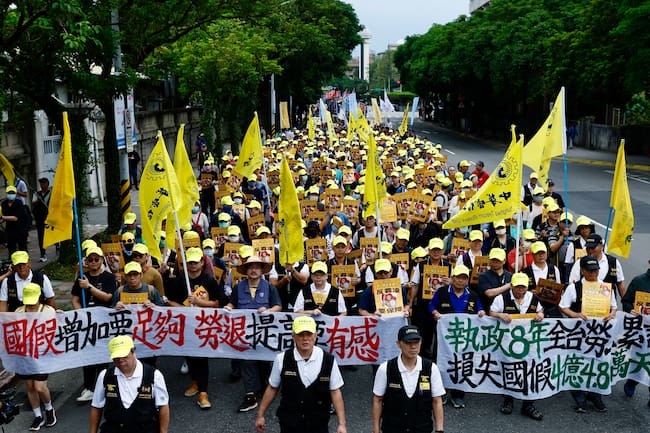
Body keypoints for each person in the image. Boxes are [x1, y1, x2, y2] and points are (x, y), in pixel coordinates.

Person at [255, 316, 347, 433]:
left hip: (318, 423)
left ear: (315, 336)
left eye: (308, 334)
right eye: (300, 334)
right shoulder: (281, 359)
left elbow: (335, 391)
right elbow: (272, 388)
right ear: (293, 336)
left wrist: (342, 424)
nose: (305, 339)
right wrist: (260, 415)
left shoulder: (328, 360)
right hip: (289, 422)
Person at [166, 247, 229, 409]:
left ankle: (203, 392)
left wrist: (199, 303)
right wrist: (184, 308)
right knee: (190, 355)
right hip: (186, 325)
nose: (193, 265)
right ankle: (194, 382)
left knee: (201, 357)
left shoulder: (209, 280)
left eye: (196, 262)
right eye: (190, 262)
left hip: (204, 325)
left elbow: (216, 303)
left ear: (202, 263)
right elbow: (170, 302)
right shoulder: (180, 280)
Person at [224, 255, 282, 412]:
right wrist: (229, 307)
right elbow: (232, 303)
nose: (254, 270)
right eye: (250, 267)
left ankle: (264, 385)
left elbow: (278, 306)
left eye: (257, 267)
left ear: (262, 270)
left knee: (264, 362)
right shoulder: (238, 287)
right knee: (247, 361)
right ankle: (250, 395)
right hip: (244, 332)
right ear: (246, 271)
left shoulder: (269, 287)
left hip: (264, 331)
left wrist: (269, 310)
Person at [559, 255, 617, 413]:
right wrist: (574, 315)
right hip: (580, 333)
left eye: (596, 270)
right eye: (590, 271)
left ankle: (595, 394)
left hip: (600, 334)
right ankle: (579, 398)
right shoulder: (574, 288)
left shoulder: (605, 287)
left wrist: (611, 314)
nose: (593, 274)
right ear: (582, 271)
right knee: (579, 364)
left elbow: (614, 307)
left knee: (598, 363)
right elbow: (563, 307)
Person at [489, 272, 544, 420]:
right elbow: (491, 312)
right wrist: (500, 315)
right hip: (508, 341)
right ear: (511, 286)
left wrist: (540, 315)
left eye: (523, 287)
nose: (520, 290)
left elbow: (540, 309)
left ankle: (528, 404)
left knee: (530, 371)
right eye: (517, 287)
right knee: (510, 369)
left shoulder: (533, 298)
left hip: (529, 341)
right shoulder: (502, 298)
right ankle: (508, 400)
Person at [429, 265, 485, 409]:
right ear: (452, 278)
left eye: (464, 278)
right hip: (444, 337)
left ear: (467, 280)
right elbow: (431, 305)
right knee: (441, 362)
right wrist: (435, 313)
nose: (460, 281)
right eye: (458, 277)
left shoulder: (472, 295)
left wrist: (481, 313)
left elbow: (480, 308)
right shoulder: (442, 292)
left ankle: (458, 394)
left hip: (464, 338)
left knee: (463, 363)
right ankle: (441, 392)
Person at [372, 325, 444, 433]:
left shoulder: (431, 368)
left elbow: (437, 401)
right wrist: (376, 430)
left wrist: (439, 430)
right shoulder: (385, 369)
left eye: (416, 342)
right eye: (408, 343)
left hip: (422, 429)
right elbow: (378, 400)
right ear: (398, 344)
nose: (413, 347)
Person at [90, 335, 169, 433]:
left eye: (124, 356)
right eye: (116, 357)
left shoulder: (154, 376)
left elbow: (163, 406)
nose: (120, 360)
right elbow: (97, 406)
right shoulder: (105, 376)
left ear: (133, 352)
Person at [72, 247, 118, 403]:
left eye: (96, 259)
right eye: (90, 260)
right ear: (86, 261)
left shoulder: (108, 277)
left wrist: (89, 287)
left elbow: (108, 298)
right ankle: (89, 388)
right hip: (87, 324)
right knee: (88, 357)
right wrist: (81, 314)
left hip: (104, 324)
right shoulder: (81, 277)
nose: (93, 262)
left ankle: (104, 385)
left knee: (103, 356)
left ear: (101, 260)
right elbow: (75, 299)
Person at [15, 283, 58, 430]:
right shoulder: (19, 312)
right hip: (24, 355)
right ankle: (38, 416)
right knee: (30, 386)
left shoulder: (48, 311)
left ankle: (49, 408)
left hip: (42, 355)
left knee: (40, 387)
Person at [620, 258, 650, 402]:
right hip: (641, 329)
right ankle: (633, 380)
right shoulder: (639, 281)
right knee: (640, 358)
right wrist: (630, 310)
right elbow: (626, 301)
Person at [0, 185, 29, 254]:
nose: (11, 195)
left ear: (16, 194)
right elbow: (4, 216)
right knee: (11, 249)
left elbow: (15, 218)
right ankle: (12, 263)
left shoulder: (19, 203)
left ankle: (24, 263)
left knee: (22, 249)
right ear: (6, 193)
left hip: (21, 229)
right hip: (10, 230)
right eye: (9, 193)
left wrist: (2, 217)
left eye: (13, 193)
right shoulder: (4, 204)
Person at [31, 177, 51, 262]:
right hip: (40, 218)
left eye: (44, 183)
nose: (42, 185)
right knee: (41, 236)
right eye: (41, 183)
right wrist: (39, 200)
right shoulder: (37, 193)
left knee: (52, 233)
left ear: (47, 184)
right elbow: (33, 202)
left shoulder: (51, 193)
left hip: (50, 217)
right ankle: (42, 254)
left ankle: (58, 247)